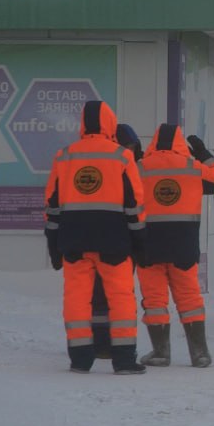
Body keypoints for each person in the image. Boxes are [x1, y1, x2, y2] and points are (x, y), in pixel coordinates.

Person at [44, 101, 147, 375]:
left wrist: (53, 245)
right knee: (121, 297)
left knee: (76, 298)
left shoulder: (64, 157)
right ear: (110, 124)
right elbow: (134, 205)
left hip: (73, 240)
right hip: (114, 241)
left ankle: (80, 359)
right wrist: (139, 242)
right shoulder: (122, 157)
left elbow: (52, 206)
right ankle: (124, 359)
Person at [137, 124, 214, 367]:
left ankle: (160, 352)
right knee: (189, 298)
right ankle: (200, 354)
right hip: (184, 245)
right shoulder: (193, 168)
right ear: (180, 143)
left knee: (154, 299)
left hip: (148, 245)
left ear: (154, 142)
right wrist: (203, 153)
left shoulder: (140, 168)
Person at [91, 123, 143, 360]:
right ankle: (104, 344)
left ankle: (116, 343)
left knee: (118, 295)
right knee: (104, 294)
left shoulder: (133, 167)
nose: (130, 151)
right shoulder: (117, 168)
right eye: (127, 147)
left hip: (121, 241)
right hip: (113, 239)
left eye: (133, 147)